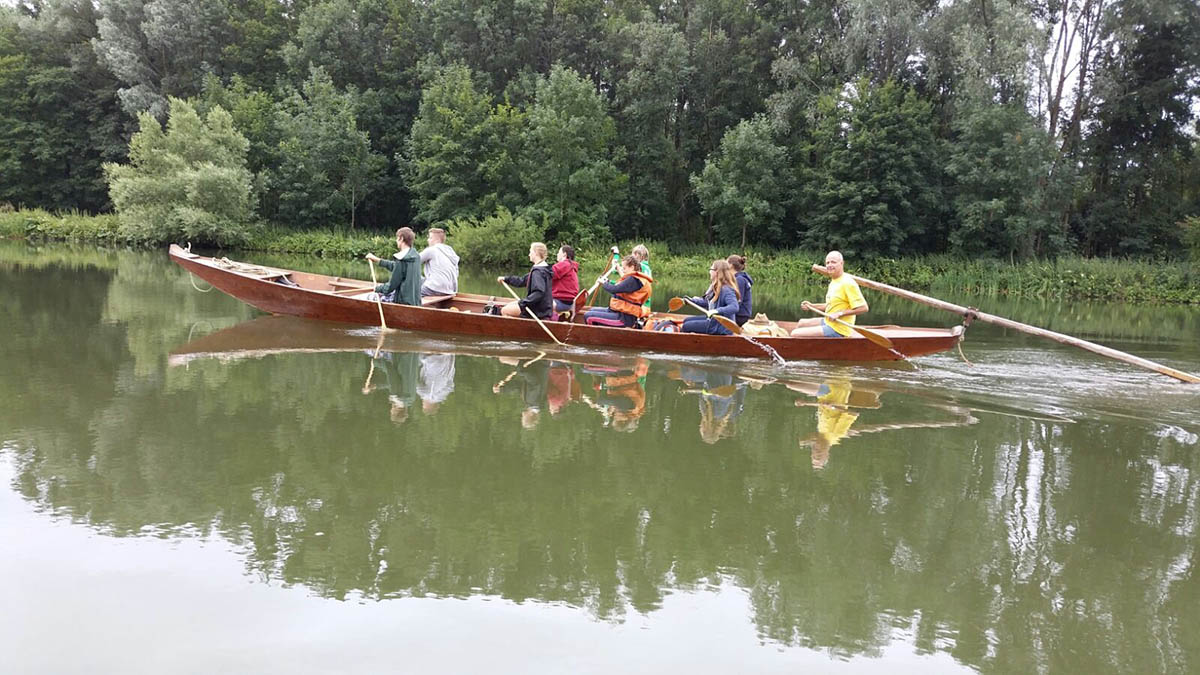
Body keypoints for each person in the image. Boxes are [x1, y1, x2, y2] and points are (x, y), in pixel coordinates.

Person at [790, 250, 868, 337]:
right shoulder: (834, 281)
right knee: (801, 323)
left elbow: (863, 308)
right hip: (829, 322)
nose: (830, 265)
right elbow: (830, 305)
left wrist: (839, 313)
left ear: (842, 263)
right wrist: (812, 306)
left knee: (795, 334)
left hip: (839, 329)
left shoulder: (848, 283)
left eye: (833, 262)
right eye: (827, 263)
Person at [584, 255, 652, 328]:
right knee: (592, 310)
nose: (622, 270)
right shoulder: (633, 279)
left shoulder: (634, 280)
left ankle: (595, 338)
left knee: (588, 316)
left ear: (632, 267)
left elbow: (614, 289)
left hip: (624, 319)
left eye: (624, 268)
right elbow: (619, 286)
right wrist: (607, 281)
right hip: (618, 312)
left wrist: (603, 283)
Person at [680, 259, 740, 335]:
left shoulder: (726, 289)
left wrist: (716, 311)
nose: (709, 272)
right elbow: (706, 302)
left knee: (686, 326)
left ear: (717, 272)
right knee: (686, 320)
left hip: (721, 327)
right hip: (714, 321)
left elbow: (734, 307)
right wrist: (690, 301)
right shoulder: (715, 287)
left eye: (711, 269)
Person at [365, 227, 422, 305]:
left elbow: (391, 286)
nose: (396, 241)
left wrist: (378, 288)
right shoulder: (416, 257)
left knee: (368, 297)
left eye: (397, 238)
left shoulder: (401, 259)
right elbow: (397, 267)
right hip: (415, 302)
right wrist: (378, 260)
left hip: (403, 302)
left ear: (401, 239)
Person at [498, 242, 554, 320]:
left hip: (538, 310)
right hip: (542, 307)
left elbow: (538, 292)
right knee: (509, 305)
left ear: (536, 253)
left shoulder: (538, 272)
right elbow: (522, 281)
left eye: (530, 252)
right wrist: (506, 279)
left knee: (505, 311)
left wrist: (524, 302)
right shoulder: (543, 269)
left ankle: (517, 330)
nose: (529, 255)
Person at [419, 227, 460, 297]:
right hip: (450, 290)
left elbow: (414, 261)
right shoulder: (450, 252)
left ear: (437, 239)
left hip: (434, 288)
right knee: (421, 279)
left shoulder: (432, 250)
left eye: (430, 238)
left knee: (409, 294)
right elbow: (457, 273)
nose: (428, 240)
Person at [550, 245, 580, 314]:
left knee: (534, 303)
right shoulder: (571, 266)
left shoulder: (564, 264)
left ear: (564, 254)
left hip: (560, 302)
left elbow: (546, 274)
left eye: (558, 252)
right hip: (568, 303)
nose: (557, 254)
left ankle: (552, 320)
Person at [727, 254, 753, 326]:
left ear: (731, 265)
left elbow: (738, 301)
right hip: (740, 314)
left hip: (740, 316)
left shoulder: (739, 280)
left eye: (726, 263)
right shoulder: (739, 278)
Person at [631, 244, 653, 313]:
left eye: (635, 254)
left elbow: (622, 272)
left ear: (641, 256)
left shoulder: (640, 266)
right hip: (646, 305)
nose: (632, 256)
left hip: (640, 306)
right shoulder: (647, 267)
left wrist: (616, 257)